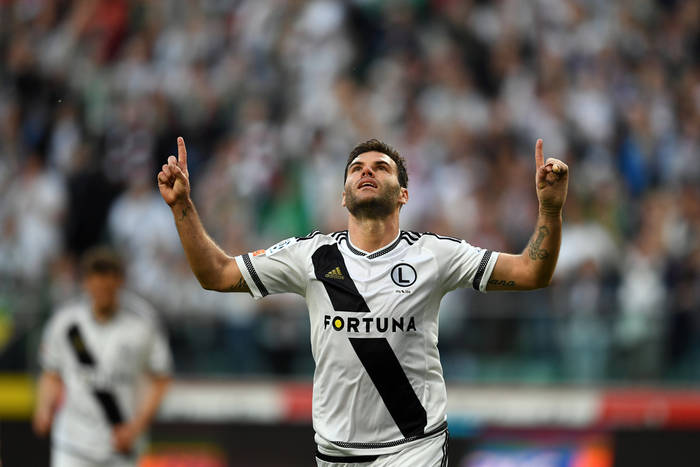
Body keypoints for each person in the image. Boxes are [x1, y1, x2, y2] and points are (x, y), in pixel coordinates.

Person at [158, 136, 568, 466]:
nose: (366, 171)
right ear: (343, 196)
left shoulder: (433, 254)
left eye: (380, 167)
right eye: (356, 168)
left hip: (414, 446)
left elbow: (531, 272)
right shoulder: (311, 256)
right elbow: (217, 274)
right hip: (336, 451)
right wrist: (183, 207)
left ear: (403, 194)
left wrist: (550, 209)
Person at [33, 247, 173, 467]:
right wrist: (44, 407)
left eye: (108, 289)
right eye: (97, 287)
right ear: (85, 284)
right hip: (72, 443)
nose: (102, 294)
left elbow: (160, 379)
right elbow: (51, 372)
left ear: (120, 283)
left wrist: (136, 427)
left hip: (120, 443)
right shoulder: (66, 323)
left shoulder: (143, 323)